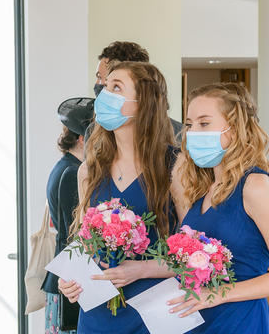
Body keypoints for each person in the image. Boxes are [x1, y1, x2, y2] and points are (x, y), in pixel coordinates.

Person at [167, 82, 269, 333]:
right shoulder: (202, 188)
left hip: (238, 322)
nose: (193, 133)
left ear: (234, 129)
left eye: (204, 123)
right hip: (198, 322)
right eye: (189, 124)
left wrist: (219, 294)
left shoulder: (255, 185)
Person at [59, 61, 180, 334]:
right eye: (104, 87)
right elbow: (84, 240)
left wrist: (140, 269)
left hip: (154, 312)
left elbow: (194, 254)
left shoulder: (176, 167)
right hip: (97, 312)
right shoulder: (89, 170)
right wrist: (70, 277)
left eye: (116, 87)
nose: (103, 95)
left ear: (144, 102)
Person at [41, 97, 94, 334]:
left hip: (64, 277)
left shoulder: (65, 166)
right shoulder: (73, 172)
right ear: (83, 138)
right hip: (67, 280)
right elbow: (73, 234)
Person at [86, 41, 183, 143]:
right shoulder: (94, 133)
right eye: (106, 84)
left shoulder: (179, 135)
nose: (98, 84)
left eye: (116, 86)